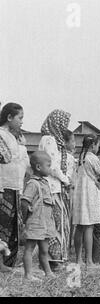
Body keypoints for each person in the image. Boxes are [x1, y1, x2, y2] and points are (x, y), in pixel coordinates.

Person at [38, 109, 72, 269]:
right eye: (64, 123)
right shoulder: (50, 140)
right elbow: (53, 165)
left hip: (50, 186)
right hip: (51, 187)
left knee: (53, 224)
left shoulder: (47, 138)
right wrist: (65, 180)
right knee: (56, 225)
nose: (65, 127)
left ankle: (53, 259)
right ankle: (53, 260)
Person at [21, 152, 57, 281]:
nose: (50, 168)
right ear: (38, 167)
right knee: (30, 248)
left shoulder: (45, 182)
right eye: (48, 165)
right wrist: (25, 220)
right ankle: (28, 275)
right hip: (35, 222)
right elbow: (24, 202)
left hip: (45, 223)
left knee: (44, 249)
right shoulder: (33, 184)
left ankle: (48, 272)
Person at [0, 103, 28, 272]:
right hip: (3, 187)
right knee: (2, 226)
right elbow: (4, 159)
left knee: (11, 228)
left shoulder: (11, 136)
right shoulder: (1, 135)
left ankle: (7, 263)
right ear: (9, 117)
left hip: (14, 187)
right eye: (20, 118)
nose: (22, 122)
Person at [72, 134, 100, 267]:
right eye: (98, 145)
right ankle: (89, 260)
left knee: (79, 226)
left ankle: (78, 259)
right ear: (93, 145)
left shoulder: (80, 157)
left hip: (79, 193)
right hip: (90, 193)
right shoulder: (93, 158)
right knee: (89, 226)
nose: (98, 148)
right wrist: (98, 181)